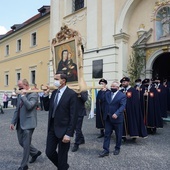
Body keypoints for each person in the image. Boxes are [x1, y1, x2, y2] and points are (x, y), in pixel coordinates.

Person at [43, 72, 78, 170]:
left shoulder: (71, 94)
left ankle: (62, 167)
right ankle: (63, 167)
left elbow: (73, 115)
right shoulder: (54, 93)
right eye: (54, 79)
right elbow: (47, 108)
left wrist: (69, 133)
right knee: (49, 152)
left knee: (62, 157)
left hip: (64, 130)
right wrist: (45, 95)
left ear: (63, 81)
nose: (55, 81)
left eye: (57, 79)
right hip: (52, 128)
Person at [10, 79, 41, 170]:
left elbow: (30, 106)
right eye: (18, 86)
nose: (19, 88)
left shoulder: (34, 94)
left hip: (29, 123)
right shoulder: (20, 94)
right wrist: (13, 122)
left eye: (20, 86)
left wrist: (23, 96)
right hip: (20, 123)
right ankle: (35, 152)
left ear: (26, 85)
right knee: (21, 142)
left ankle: (24, 165)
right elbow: (17, 110)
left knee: (26, 145)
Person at [99, 81, 126, 157]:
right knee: (107, 134)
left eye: (114, 86)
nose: (112, 88)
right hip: (108, 117)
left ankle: (117, 148)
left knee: (118, 134)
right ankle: (106, 150)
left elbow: (122, 106)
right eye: (111, 86)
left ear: (117, 87)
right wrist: (102, 92)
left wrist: (117, 113)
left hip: (117, 118)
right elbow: (101, 99)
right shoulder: (107, 93)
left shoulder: (122, 95)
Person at [120, 77, 148, 141]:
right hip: (122, 111)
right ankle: (123, 136)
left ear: (128, 82)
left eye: (125, 82)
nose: (123, 83)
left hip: (131, 110)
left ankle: (133, 135)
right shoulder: (121, 91)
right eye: (122, 82)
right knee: (123, 123)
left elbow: (136, 102)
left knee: (132, 122)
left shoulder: (133, 90)